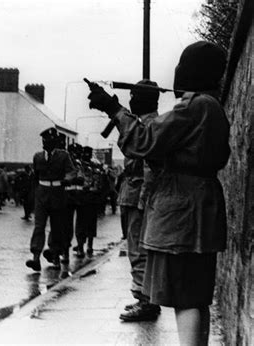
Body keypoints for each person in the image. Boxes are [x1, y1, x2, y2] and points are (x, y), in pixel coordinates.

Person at [87, 41, 229, 346]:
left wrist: (113, 108)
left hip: (182, 210)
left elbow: (143, 141)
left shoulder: (194, 106)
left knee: (185, 296)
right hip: (199, 206)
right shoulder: (212, 106)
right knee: (195, 296)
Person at [117, 80, 161, 322]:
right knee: (137, 248)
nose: (131, 100)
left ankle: (146, 301)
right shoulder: (145, 123)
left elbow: (143, 166)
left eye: (134, 96)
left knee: (139, 250)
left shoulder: (148, 125)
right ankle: (144, 296)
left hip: (139, 196)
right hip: (133, 194)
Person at [25, 127, 76, 271]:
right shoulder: (38, 156)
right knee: (39, 226)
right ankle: (35, 257)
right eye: (44, 140)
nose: (45, 143)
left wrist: (67, 179)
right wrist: (33, 194)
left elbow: (71, 171)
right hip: (42, 193)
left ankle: (55, 256)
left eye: (48, 140)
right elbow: (35, 176)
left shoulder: (63, 156)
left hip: (58, 192)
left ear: (55, 142)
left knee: (56, 227)